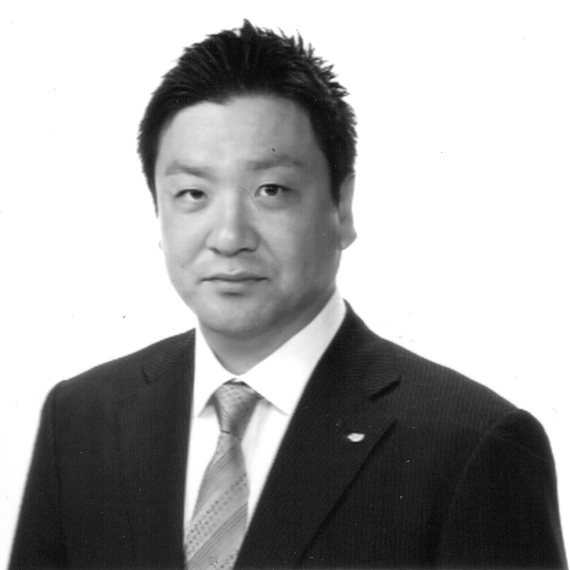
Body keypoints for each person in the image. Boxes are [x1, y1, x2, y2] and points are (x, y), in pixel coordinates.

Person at [10, 21, 567, 570]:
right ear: (159, 210)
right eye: (193, 193)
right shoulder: (81, 419)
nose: (229, 236)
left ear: (341, 208)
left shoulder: (472, 445)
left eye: (270, 190)